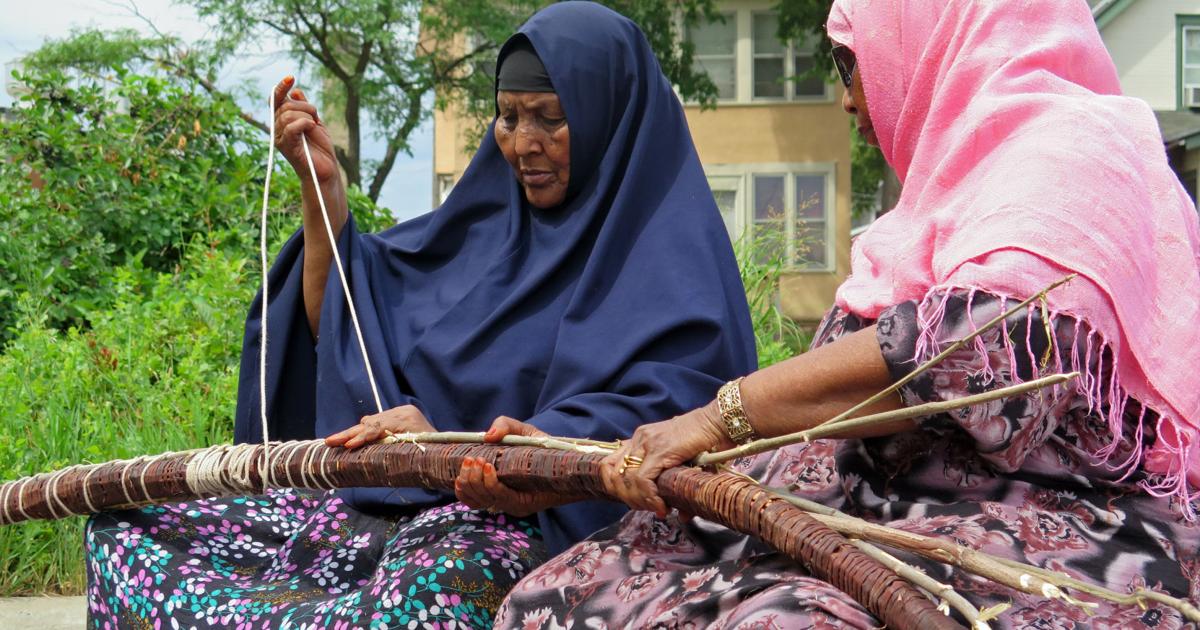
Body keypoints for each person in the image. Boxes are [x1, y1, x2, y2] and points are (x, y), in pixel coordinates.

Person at [497, 1, 1200, 628]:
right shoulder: (938, 202)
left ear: (931, 38)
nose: (845, 99)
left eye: (849, 63)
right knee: (559, 593)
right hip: (846, 515)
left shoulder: (1073, 153)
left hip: (1024, 522)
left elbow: (979, 349)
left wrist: (717, 417)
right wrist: (573, 459)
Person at [82, 4, 756, 627]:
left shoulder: (669, 259)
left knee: (425, 593)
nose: (522, 143)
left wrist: (463, 450)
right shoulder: (479, 238)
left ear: (611, 116)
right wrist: (322, 189)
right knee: (131, 532)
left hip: (528, 530)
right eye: (508, 116)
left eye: (549, 118)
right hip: (382, 509)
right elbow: (343, 319)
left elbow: (671, 418)